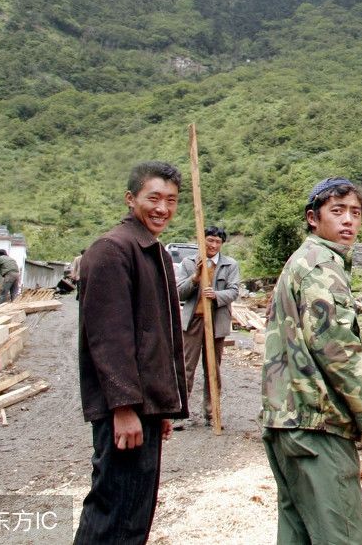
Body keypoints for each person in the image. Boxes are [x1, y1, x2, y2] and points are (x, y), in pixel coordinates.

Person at [260, 177, 362, 545]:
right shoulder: (322, 266)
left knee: (298, 534)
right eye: (337, 211)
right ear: (313, 218)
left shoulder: (300, 262)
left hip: (285, 420)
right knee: (343, 536)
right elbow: (334, 348)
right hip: (316, 425)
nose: (348, 220)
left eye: (355, 212)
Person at [75, 162, 188, 545]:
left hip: (144, 409)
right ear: (130, 199)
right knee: (114, 512)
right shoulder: (112, 250)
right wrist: (124, 408)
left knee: (134, 512)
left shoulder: (150, 250)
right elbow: (109, 338)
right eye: (152, 198)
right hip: (124, 411)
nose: (162, 208)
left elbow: (153, 338)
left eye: (171, 200)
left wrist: (160, 408)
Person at [175, 225, 241, 427]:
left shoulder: (230, 265)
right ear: (202, 241)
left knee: (213, 368)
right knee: (186, 367)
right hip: (193, 321)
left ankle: (212, 414)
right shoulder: (188, 262)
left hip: (216, 321)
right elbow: (178, 293)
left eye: (217, 242)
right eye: (210, 240)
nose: (213, 245)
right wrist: (195, 278)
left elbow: (234, 291)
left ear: (222, 244)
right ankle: (178, 414)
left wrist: (217, 295)